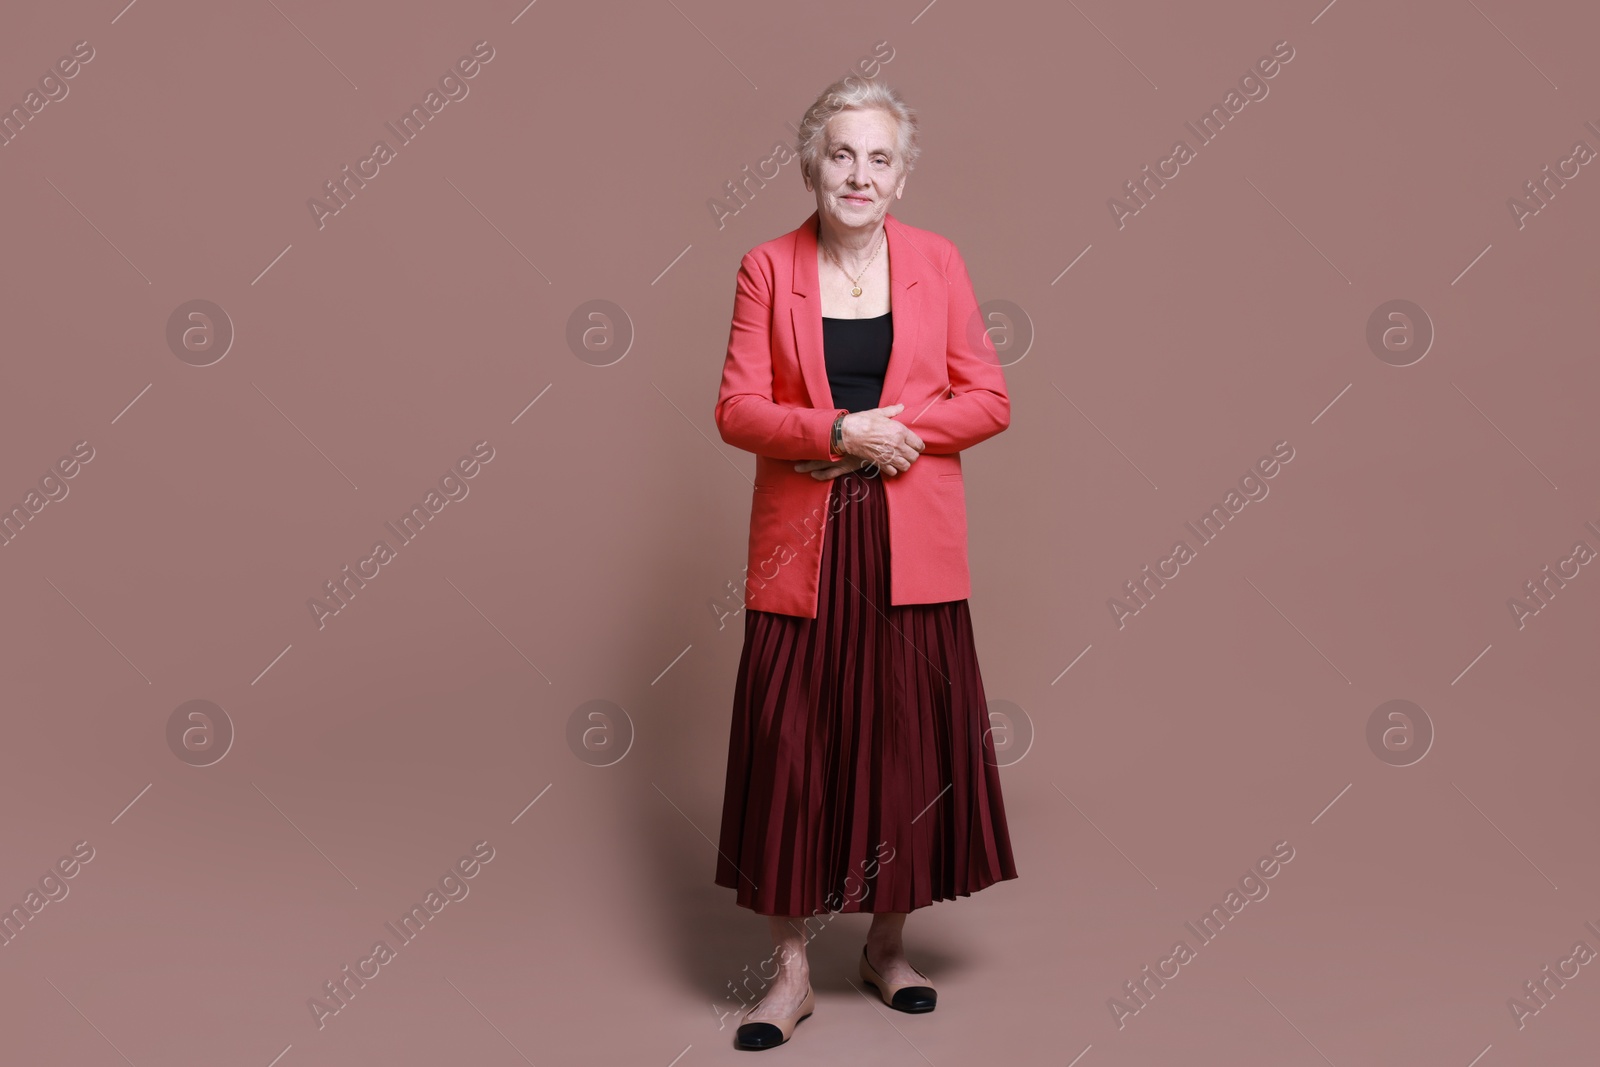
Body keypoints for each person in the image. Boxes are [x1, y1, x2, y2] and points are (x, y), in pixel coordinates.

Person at [711, 76, 1018, 1051]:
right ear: (811, 161)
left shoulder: (940, 262)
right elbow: (736, 408)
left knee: (905, 748)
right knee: (790, 748)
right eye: (841, 153)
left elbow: (989, 398)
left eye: (878, 157)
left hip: (911, 545)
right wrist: (842, 429)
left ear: (902, 173)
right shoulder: (766, 267)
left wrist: (896, 436)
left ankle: (887, 946)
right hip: (803, 548)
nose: (858, 173)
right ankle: (790, 970)